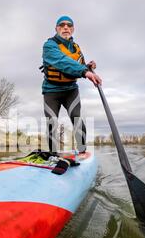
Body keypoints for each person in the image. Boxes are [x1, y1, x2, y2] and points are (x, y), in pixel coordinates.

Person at [41, 15, 102, 153]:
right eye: (61, 25)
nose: (65, 27)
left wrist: (88, 66)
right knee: (52, 122)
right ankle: (53, 155)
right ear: (56, 28)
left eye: (69, 25)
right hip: (51, 91)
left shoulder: (76, 47)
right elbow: (62, 62)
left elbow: (77, 66)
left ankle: (82, 152)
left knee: (76, 119)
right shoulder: (49, 46)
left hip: (71, 90)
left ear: (73, 29)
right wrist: (85, 72)